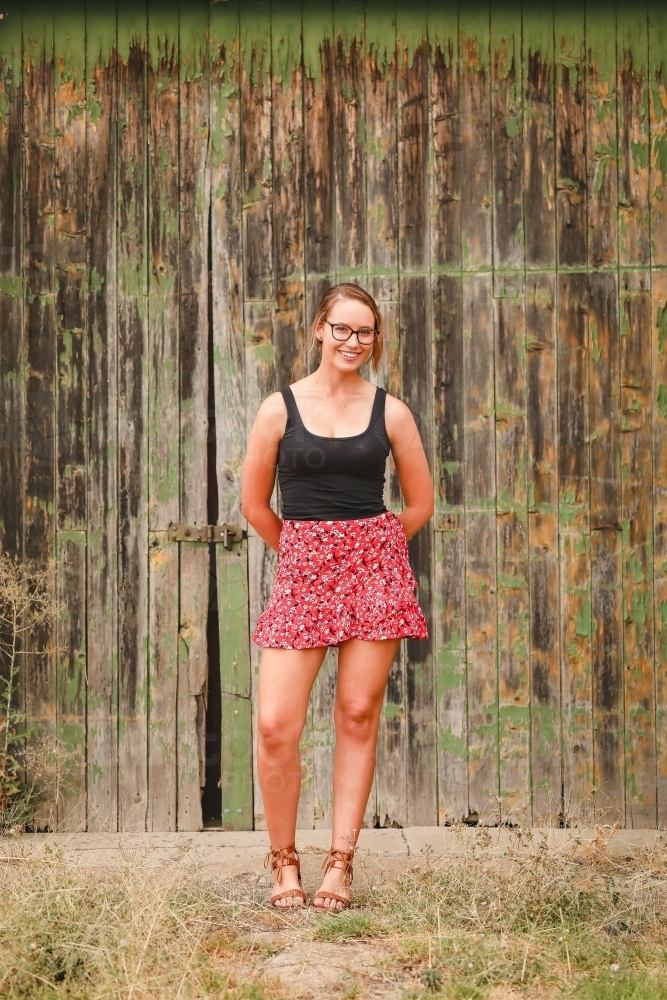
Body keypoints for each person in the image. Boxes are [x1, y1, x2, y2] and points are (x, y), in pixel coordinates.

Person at [241, 283, 433, 909]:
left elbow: (420, 504)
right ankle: (283, 861)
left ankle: (339, 864)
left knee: (356, 714)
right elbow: (254, 506)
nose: (353, 341)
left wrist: (372, 550)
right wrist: (306, 554)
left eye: (365, 332)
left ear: (376, 339)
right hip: (304, 575)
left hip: (375, 576)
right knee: (275, 724)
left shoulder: (391, 413)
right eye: (342, 329)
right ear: (319, 329)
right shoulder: (279, 410)